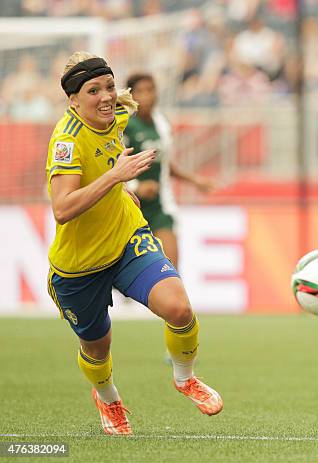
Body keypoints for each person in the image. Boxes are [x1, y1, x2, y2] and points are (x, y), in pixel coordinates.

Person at [46, 52, 223, 436]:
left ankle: (184, 378)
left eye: (109, 86)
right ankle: (108, 399)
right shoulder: (66, 141)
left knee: (178, 308)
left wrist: (122, 192)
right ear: (73, 100)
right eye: (93, 91)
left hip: (128, 238)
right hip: (79, 265)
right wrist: (117, 179)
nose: (106, 96)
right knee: (98, 347)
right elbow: (62, 209)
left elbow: (128, 102)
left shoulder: (117, 115)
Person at [123, 73, 213, 267]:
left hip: (160, 206)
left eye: (150, 90)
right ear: (131, 96)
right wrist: (136, 187)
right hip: (129, 206)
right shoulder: (123, 125)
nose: (146, 96)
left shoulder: (162, 124)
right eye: (140, 91)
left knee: (170, 268)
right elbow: (110, 165)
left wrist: (194, 180)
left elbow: (164, 162)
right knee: (128, 274)